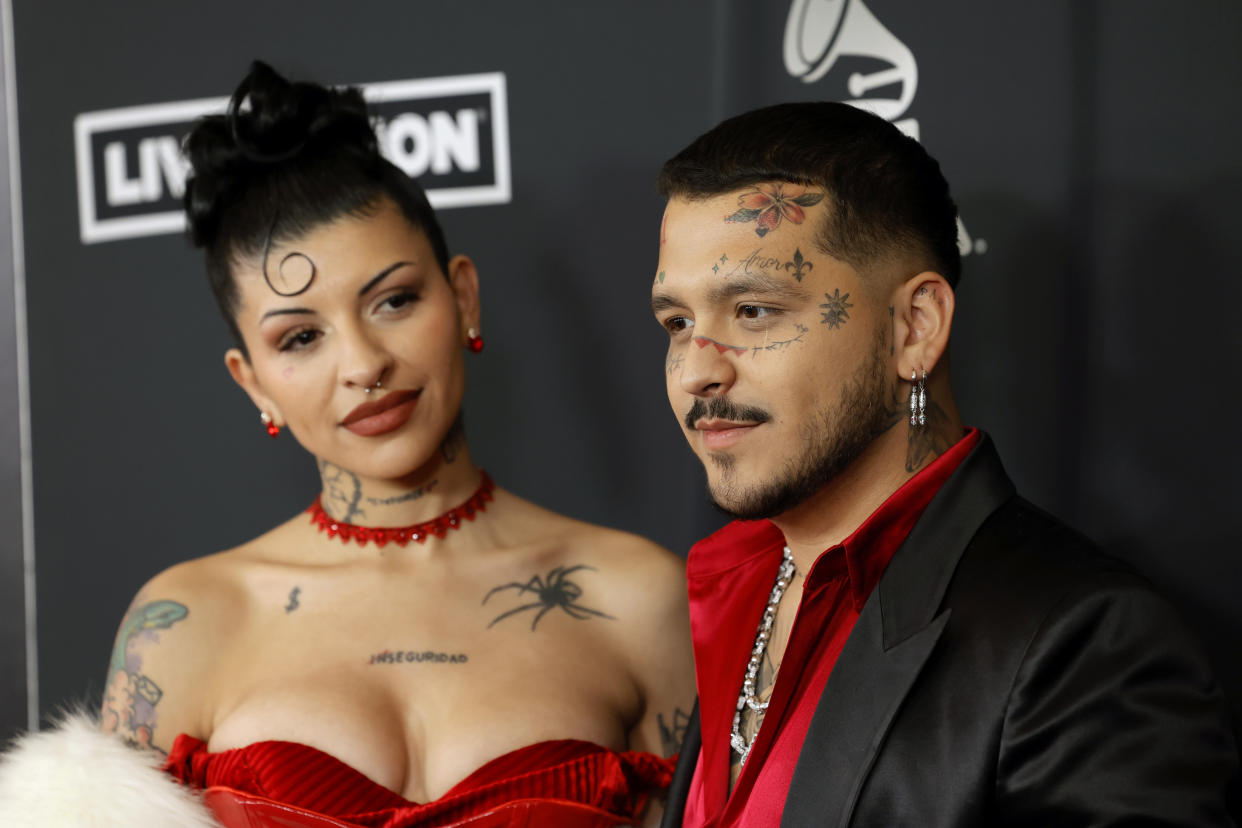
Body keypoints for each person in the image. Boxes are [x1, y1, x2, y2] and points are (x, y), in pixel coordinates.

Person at [88, 61, 694, 828]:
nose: (364, 364)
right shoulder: (183, 625)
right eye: (301, 337)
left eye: (394, 300)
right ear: (253, 383)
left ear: (463, 296)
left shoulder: (637, 599)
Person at [650, 101, 1239, 827]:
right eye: (678, 323)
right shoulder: (734, 591)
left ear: (915, 328)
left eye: (754, 311)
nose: (695, 373)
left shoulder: (1081, 643)